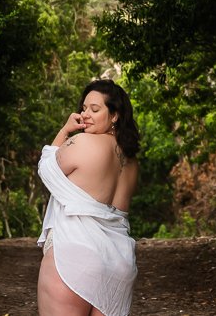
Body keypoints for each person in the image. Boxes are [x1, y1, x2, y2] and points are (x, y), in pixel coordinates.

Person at [37, 79, 140, 316]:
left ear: (114, 115)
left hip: (75, 255)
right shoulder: (132, 162)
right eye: (84, 108)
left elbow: (46, 167)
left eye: (95, 109)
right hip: (119, 262)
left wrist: (65, 130)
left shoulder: (82, 141)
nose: (85, 115)